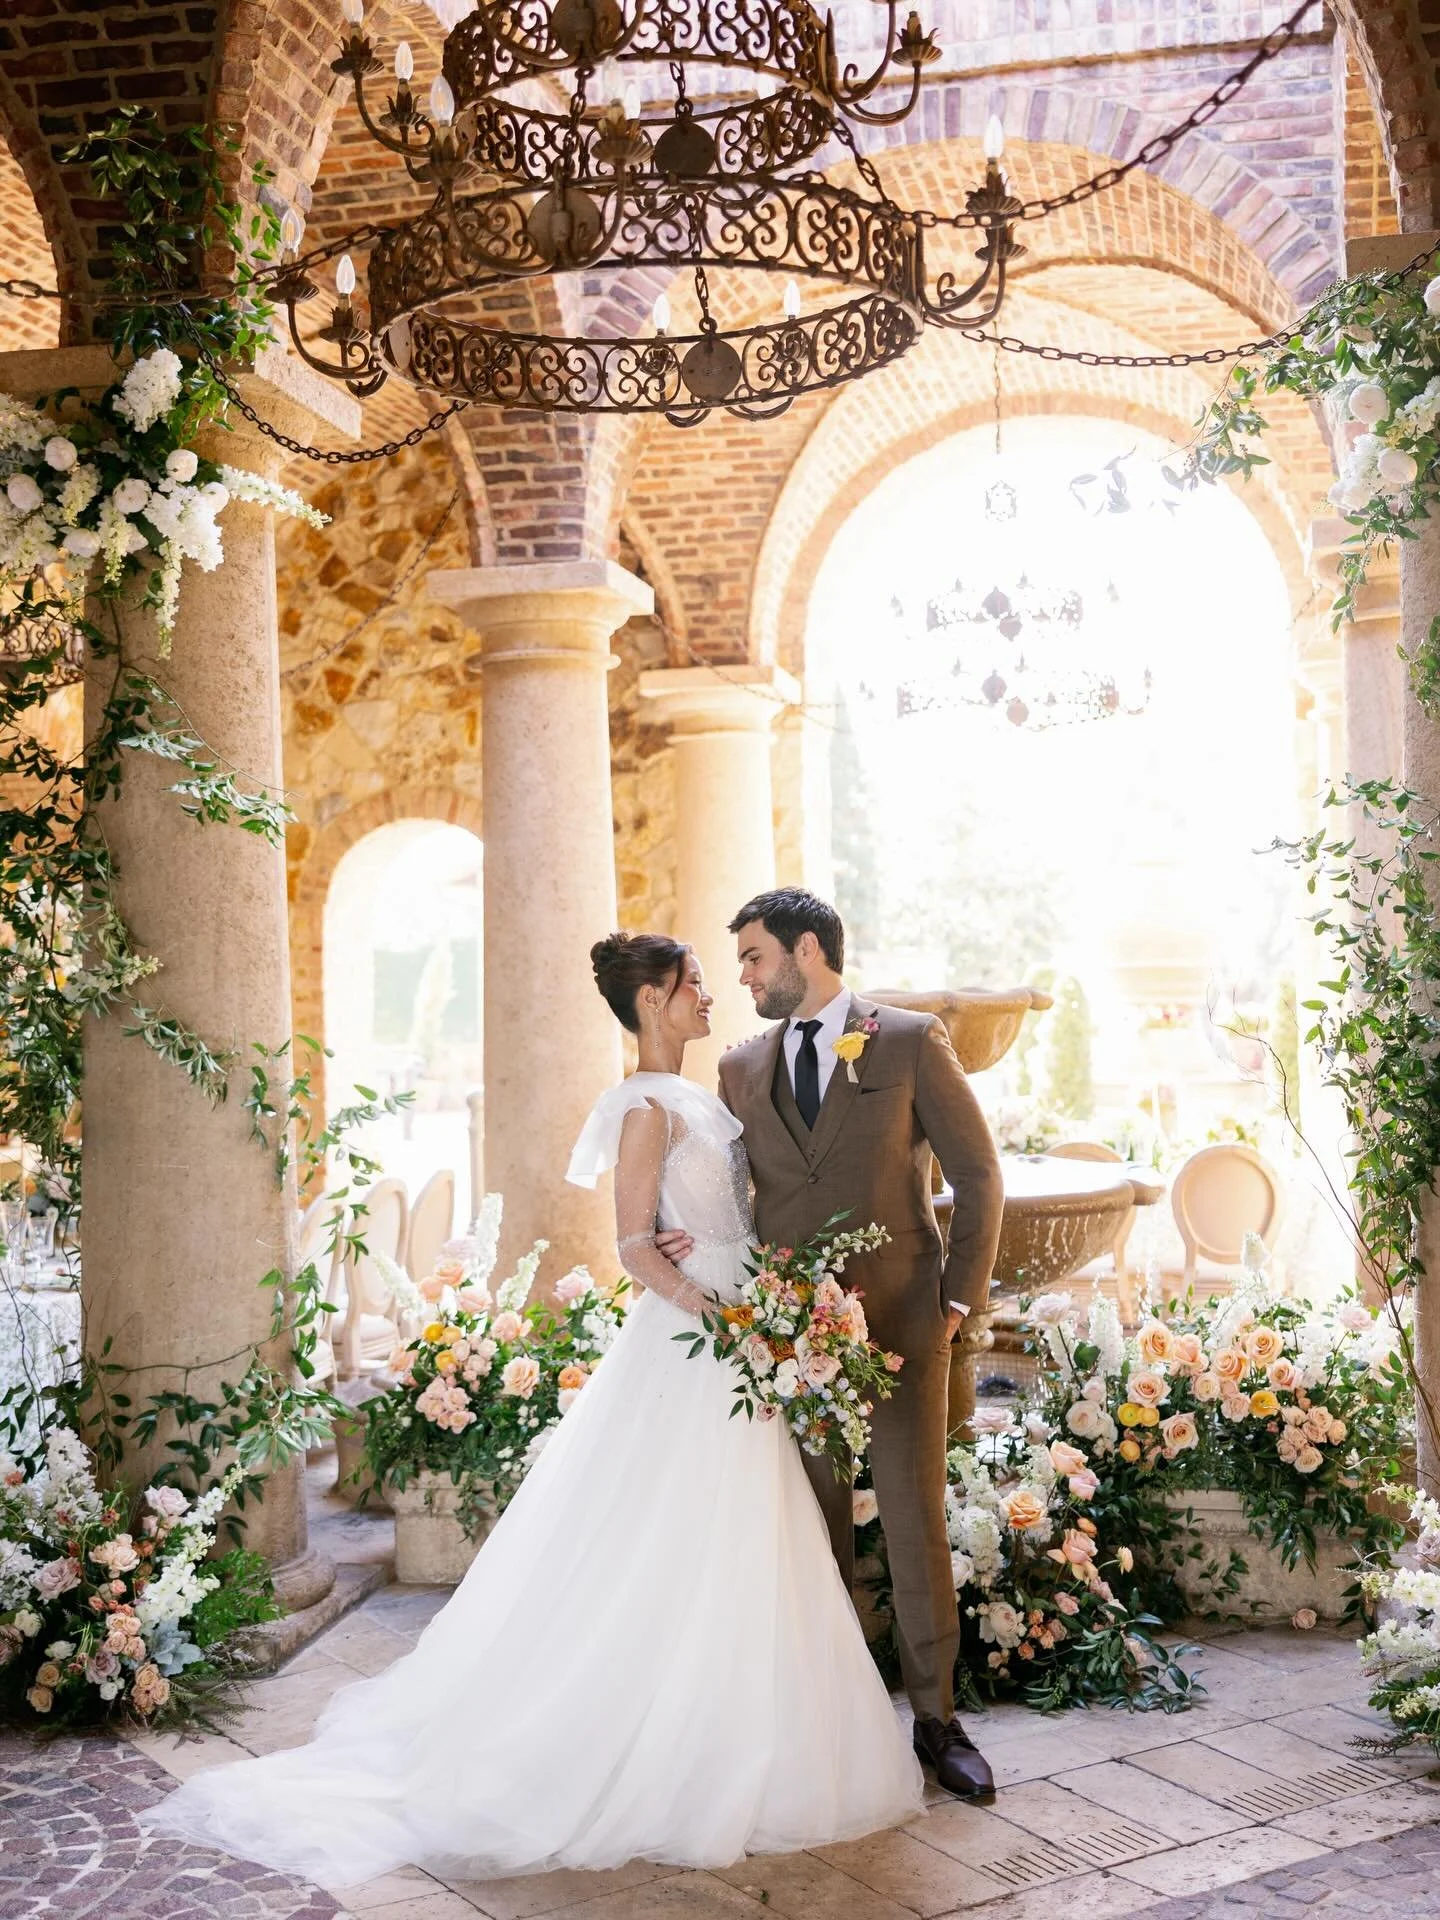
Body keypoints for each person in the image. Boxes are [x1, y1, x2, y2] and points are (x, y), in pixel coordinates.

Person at [140, 932, 922, 1888]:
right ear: (651, 1005)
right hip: (704, 1340)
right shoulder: (643, 1107)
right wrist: (729, 1319)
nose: (710, 1001)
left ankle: (730, 1716)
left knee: (733, 1531)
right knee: (686, 1529)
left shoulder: (699, 1095)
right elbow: (636, 1247)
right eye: (694, 988)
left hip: (737, 1324)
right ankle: (651, 1734)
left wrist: (753, 1291)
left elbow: (707, 1219)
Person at [657, 888, 1004, 1797]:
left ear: (808, 951)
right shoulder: (740, 1070)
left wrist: (958, 1303)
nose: (743, 977)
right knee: (811, 1536)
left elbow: (977, 1173)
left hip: (902, 1329)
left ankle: (937, 1722)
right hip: (790, 1346)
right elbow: (733, 1194)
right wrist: (681, 1237)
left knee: (912, 1526)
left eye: (756, 958)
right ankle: (827, 1721)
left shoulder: (906, 1040)